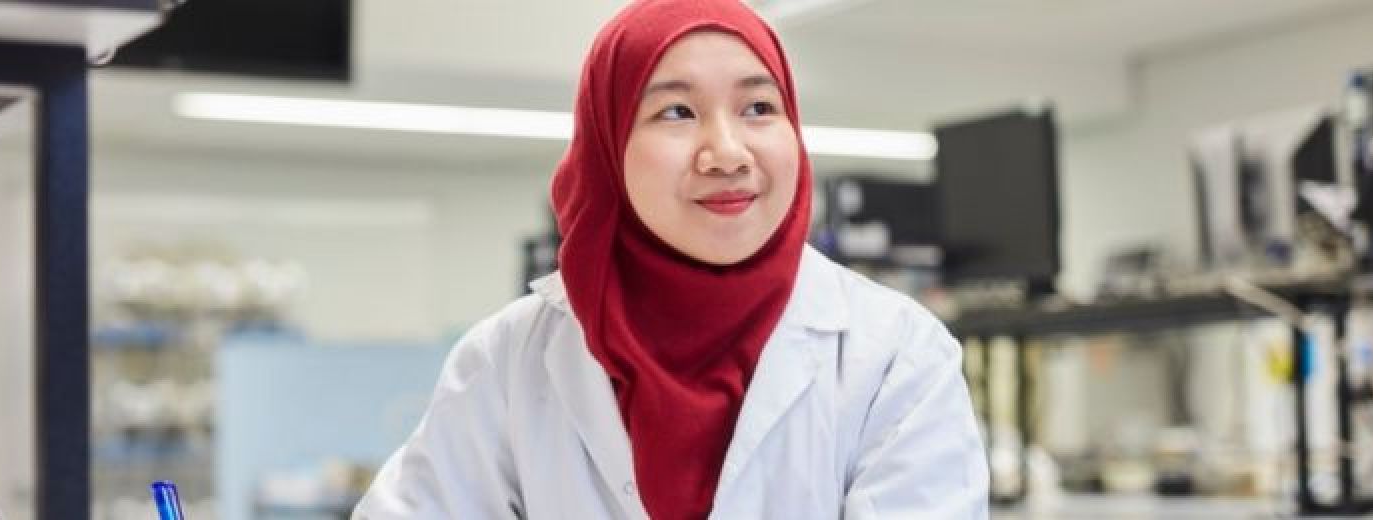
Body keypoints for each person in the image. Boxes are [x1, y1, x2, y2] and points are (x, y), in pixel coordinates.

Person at [353, 0, 988, 518]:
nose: (728, 152)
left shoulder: (895, 356)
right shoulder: (510, 360)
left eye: (759, 108)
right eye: (676, 111)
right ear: (608, 147)